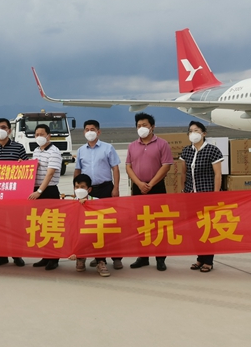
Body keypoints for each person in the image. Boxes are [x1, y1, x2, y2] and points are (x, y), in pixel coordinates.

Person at [126, 112, 173, 271]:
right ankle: (143, 256)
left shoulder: (162, 144)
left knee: (159, 222)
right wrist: (139, 183)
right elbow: (128, 167)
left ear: (152, 127)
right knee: (141, 223)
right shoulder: (132, 146)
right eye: (139, 126)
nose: (141, 128)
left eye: (144, 125)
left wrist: (151, 184)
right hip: (138, 188)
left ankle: (160, 258)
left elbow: (166, 165)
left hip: (156, 187)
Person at [74, 119, 122, 270]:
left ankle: (116, 257)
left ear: (98, 132)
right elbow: (77, 170)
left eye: (92, 129)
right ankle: (98, 257)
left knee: (109, 223)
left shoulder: (108, 148)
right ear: (83, 132)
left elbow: (115, 168)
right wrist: (77, 191)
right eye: (87, 129)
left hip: (105, 188)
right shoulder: (81, 150)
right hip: (88, 191)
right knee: (91, 224)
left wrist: (116, 188)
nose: (90, 132)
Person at [180, 121, 224, 273]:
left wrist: (216, 194)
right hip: (191, 196)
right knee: (195, 228)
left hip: (206, 195)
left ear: (204, 133)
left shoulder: (212, 150)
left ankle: (208, 261)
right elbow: (183, 172)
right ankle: (200, 258)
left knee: (208, 228)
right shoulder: (187, 151)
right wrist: (183, 190)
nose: (193, 133)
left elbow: (218, 174)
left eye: (196, 130)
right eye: (191, 130)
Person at [0, 117, 27, 267]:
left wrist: (23, 165)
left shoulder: (19, 147)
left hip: (15, 196)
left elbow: (27, 169)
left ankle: (17, 255)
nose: (1, 130)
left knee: (16, 226)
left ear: (9, 130)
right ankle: (2, 255)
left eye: (4, 127)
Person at [29, 124, 63, 271]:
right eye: (36, 134)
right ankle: (45, 256)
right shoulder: (36, 150)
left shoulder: (54, 151)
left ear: (48, 135)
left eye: (42, 134)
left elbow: (50, 174)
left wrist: (40, 191)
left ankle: (54, 259)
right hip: (36, 191)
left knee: (52, 225)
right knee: (41, 225)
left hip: (48, 191)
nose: (39, 137)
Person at [70, 173, 110, 277]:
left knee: (101, 234)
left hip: (94, 230)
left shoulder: (96, 201)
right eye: (77, 187)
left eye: (82, 187)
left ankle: (100, 261)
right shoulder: (70, 203)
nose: (79, 189)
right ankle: (80, 258)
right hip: (79, 232)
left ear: (89, 189)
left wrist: (88, 204)